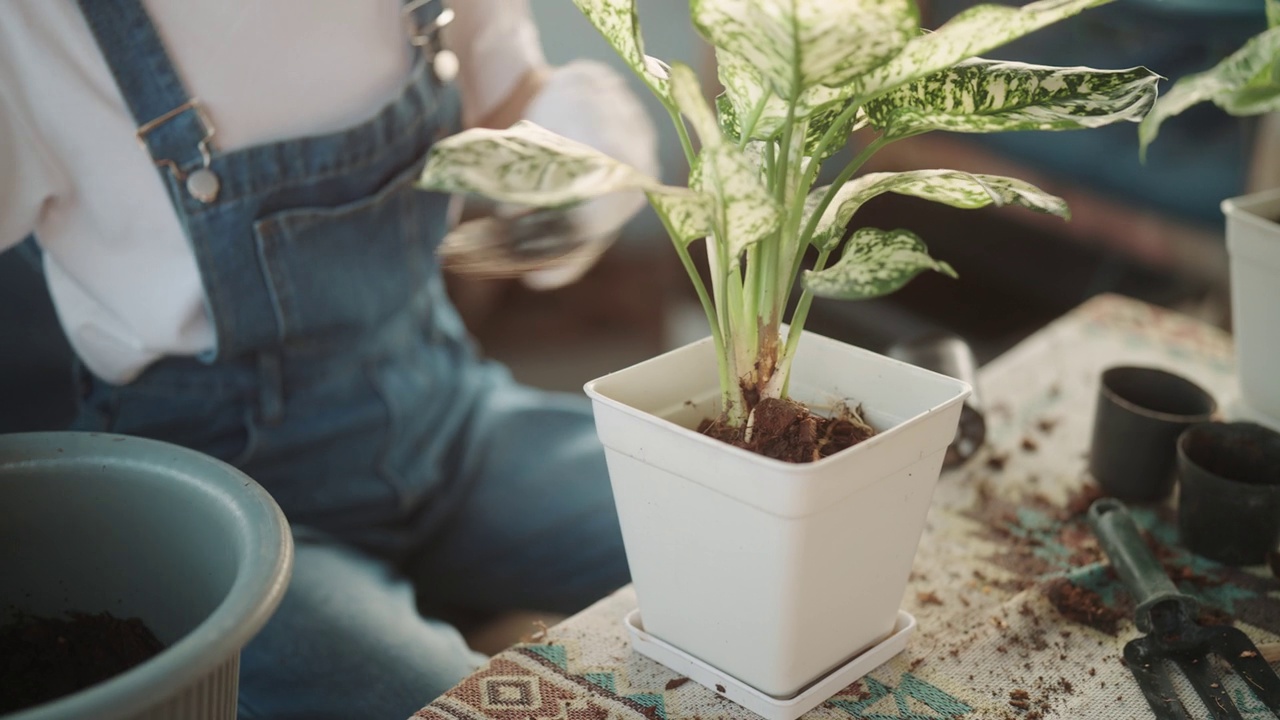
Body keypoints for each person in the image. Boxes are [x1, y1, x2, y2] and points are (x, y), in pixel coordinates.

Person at [0, 1, 659, 718]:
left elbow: (509, 101)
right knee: (456, 706)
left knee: (756, 557)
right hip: (228, 513)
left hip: (449, 418)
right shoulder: (34, 28)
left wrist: (585, 153)